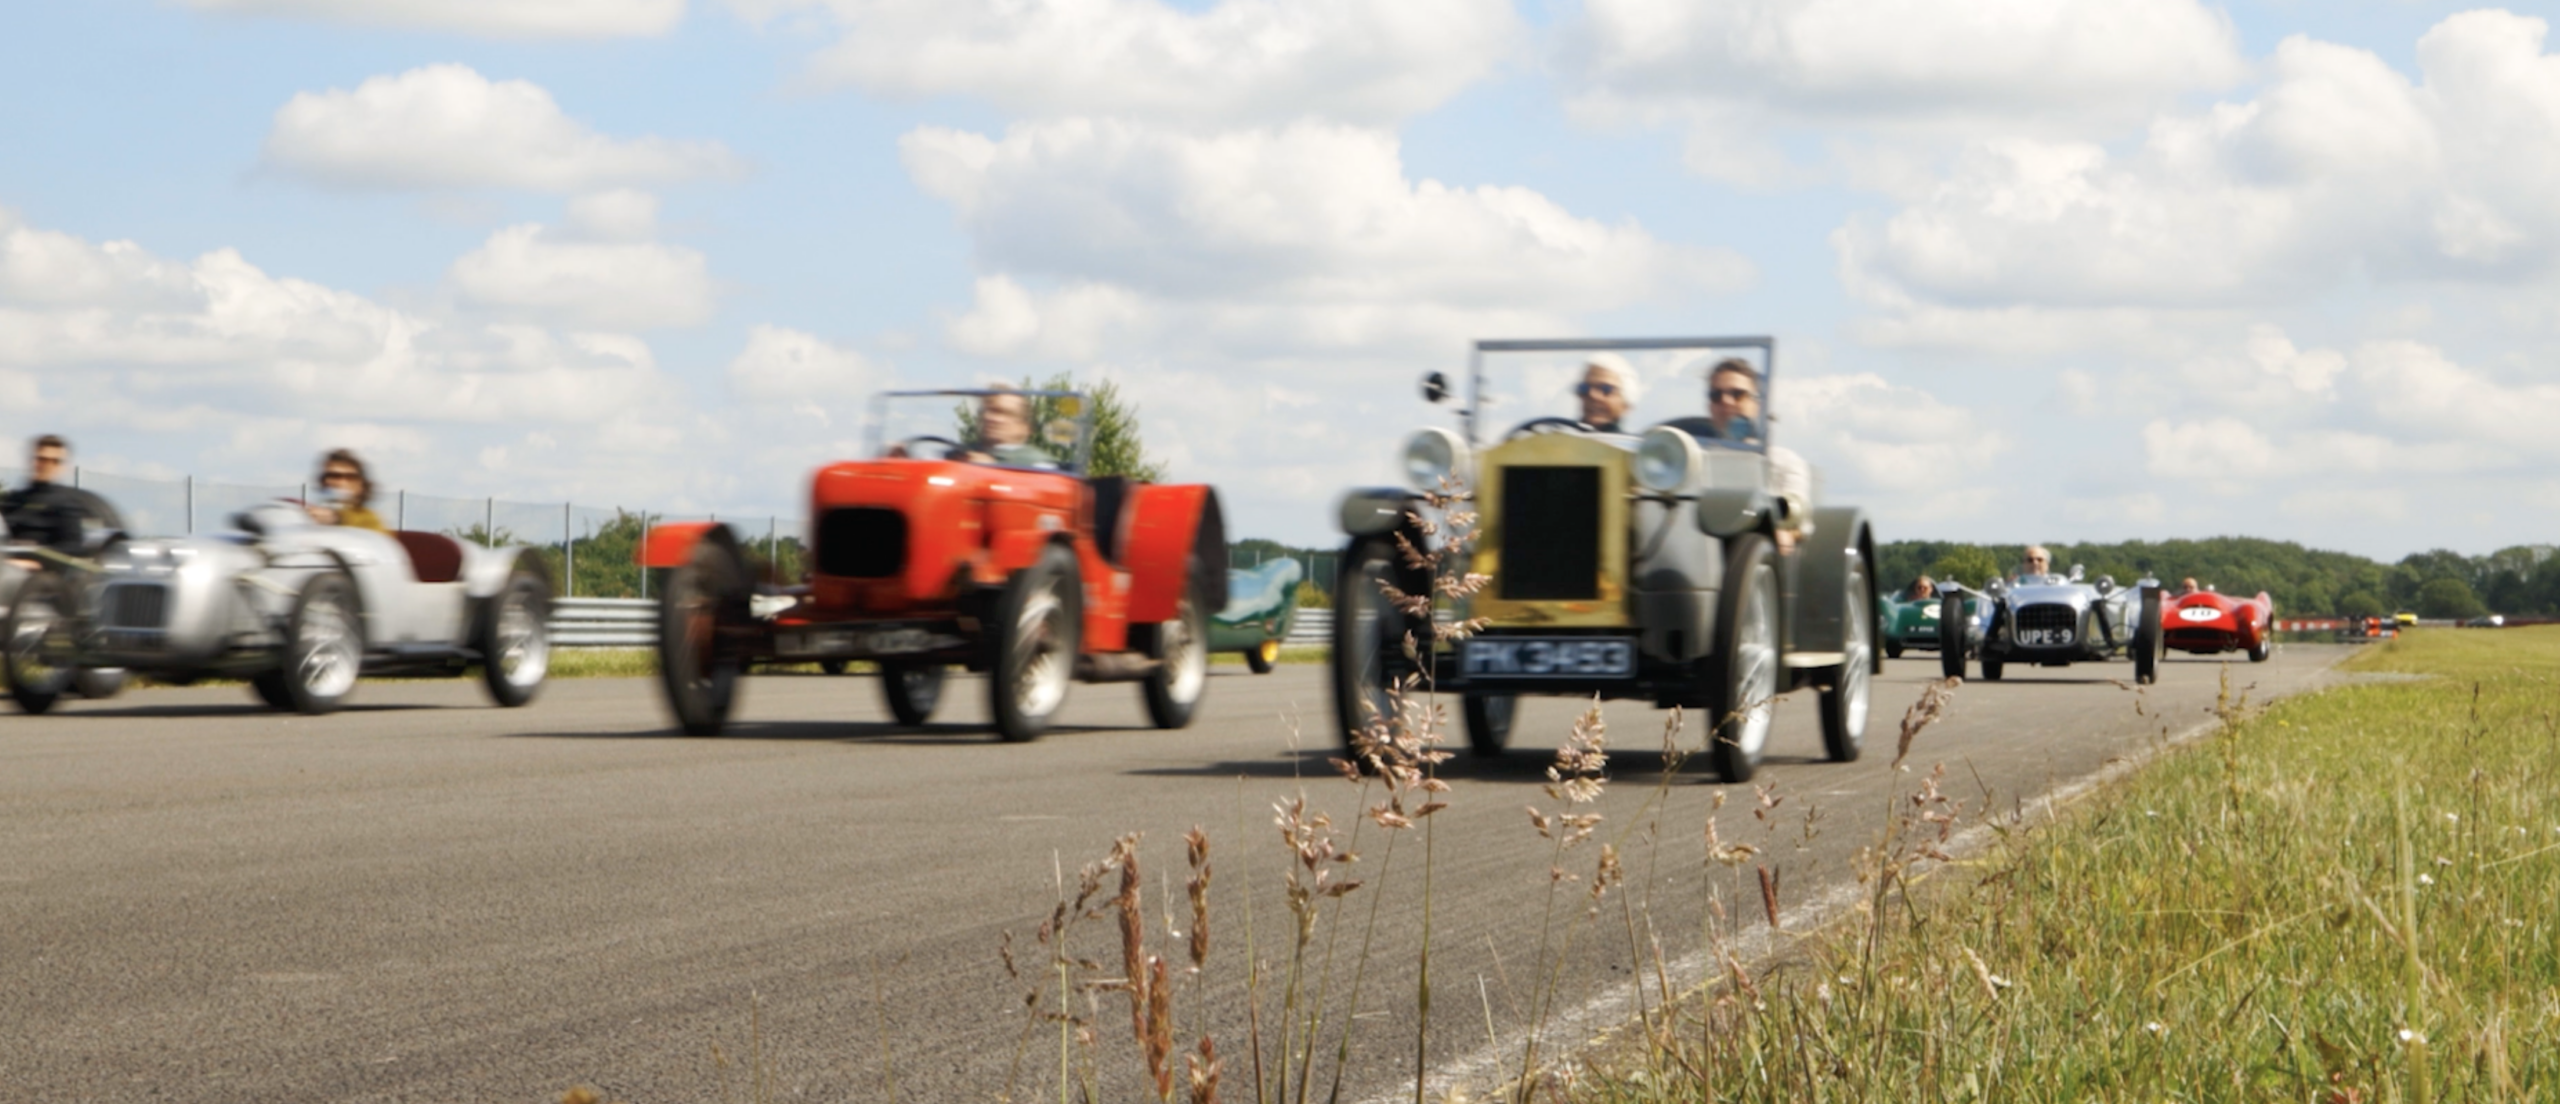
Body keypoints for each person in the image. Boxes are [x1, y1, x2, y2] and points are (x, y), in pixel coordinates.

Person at [1705, 358, 1814, 551]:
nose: (1726, 401)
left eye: (1738, 394)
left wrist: (1783, 533)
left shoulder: (1785, 462)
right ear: (1710, 406)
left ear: (1757, 404)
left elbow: (1798, 521)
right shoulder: (1693, 462)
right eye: (1716, 395)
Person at [2, 434, 122, 563]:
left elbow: (73, 547)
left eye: (54, 461)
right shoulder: (13, 500)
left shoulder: (65, 504)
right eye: (41, 459)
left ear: (61, 466)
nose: (46, 465)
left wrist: (36, 559)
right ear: (32, 460)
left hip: (44, 574)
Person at [964, 387, 1058, 468]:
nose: (990, 417)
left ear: (1024, 427)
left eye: (1003, 413)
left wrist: (992, 469)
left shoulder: (1039, 464)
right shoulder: (960, 453)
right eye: (987, 411)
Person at [307, 449, 386, 531]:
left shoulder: (371, 520)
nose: (340, 482)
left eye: (350, 477)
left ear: (361, 485)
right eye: (333, 476)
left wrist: (336, 520)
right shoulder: (310, 515)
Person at [1575, 353, 1635, 433]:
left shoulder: (1633, 444)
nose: (1592, 395)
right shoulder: (1561, 442)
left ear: (1626, 405)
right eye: (1585, 388)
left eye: (1606, 389)